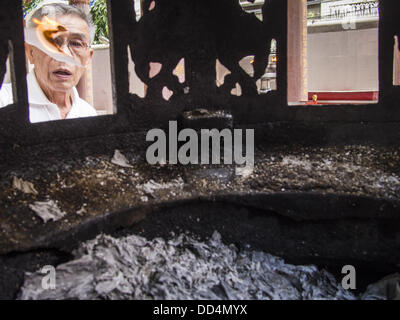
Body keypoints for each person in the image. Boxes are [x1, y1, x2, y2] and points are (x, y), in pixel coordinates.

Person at [0, 2, 97, 123]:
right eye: (52, 42)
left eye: (76, 43)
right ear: (30, 52)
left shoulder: (88, 114)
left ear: (88, 58)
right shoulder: (4, 101)